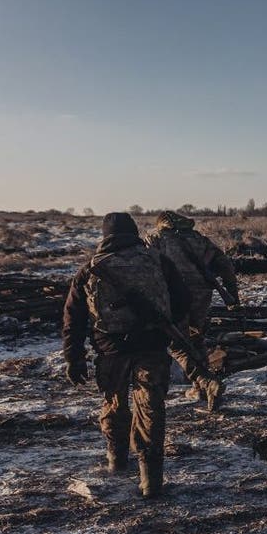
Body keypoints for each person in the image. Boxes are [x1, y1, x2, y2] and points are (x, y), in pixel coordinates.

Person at [62, 212, 192, 498]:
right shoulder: (158, 261)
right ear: (134, 231)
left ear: (105, 235)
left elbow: (73, 317)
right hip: (152, 348)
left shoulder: (91, 268)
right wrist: (162, 325)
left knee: (115, 404)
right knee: (150, 409)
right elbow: (184, 301)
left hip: (111, 351)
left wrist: (74, 357)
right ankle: (151, 481)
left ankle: (117, 461)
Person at [145, 210, 239, 411]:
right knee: (196, 338)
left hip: (172, 295)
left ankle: (205, 382)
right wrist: (232, 293)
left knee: (175, 341)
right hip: (201, 295)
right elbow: (224, 264)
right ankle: (201, 388)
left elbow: (148, 267)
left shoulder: (156, 238)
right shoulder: (198, 239)